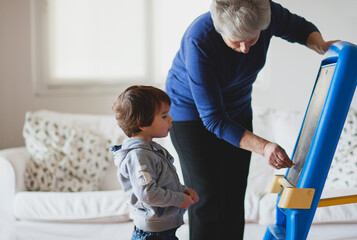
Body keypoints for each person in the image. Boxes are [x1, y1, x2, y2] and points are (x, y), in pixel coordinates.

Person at [165, 0, 339, 239]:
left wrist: (321, 46)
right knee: (208, 197)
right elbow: (213, 118)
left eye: (253, 39)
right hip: (192, 117)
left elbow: (300, 28)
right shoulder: (199, 39)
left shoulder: (264, 13)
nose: (246, 48)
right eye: (236, 41)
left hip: (237, 112)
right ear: (220, 29)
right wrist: (264, 146)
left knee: (234, 194)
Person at [111, 85, 199, 240]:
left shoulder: (152, 150)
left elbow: (162, 182)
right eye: (164, 116)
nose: (171, 119)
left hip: (162, 231)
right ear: (142, 124)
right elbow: (148, 193)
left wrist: (182, 191)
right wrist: (178, 199)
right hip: (153, 234)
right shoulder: (139, 156)